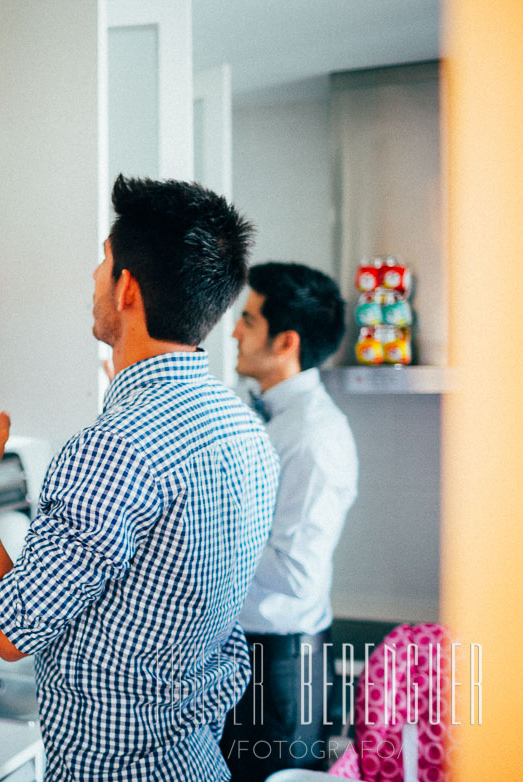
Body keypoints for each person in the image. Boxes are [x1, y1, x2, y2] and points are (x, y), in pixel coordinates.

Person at [0, 175, 280, 780]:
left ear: (126, 288)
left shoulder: (115, 449)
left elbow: (7, 631)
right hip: (199, 761)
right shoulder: (246, 430)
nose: (94, 281)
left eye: (102, 264)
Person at [220, 261, 358, 780]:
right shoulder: (259, 412)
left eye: (249, 320)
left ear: (286, 342)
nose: (233, 331)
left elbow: (295, 573)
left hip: (279, 667)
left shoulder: (316, 440)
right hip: (245, 654)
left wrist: (206, 535)